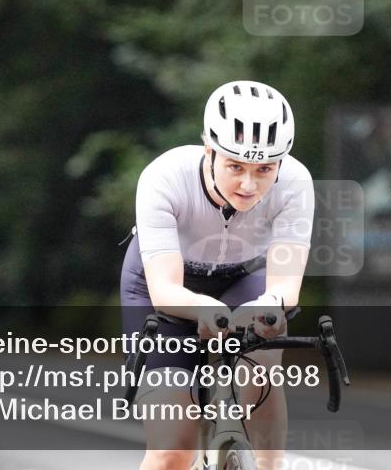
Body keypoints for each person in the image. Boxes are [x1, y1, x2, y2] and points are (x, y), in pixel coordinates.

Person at [121, 80, 314, 470]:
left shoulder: (295, 183)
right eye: (235, 166)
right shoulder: (164, 177)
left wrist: (266, 311)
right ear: (209, 150)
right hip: (165, 285)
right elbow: (165, 291)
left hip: (243, 278)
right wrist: (205, 309)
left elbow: (284, 288)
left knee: (262, 365)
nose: (249, 183)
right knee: (172, 450)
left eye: (264, 169)